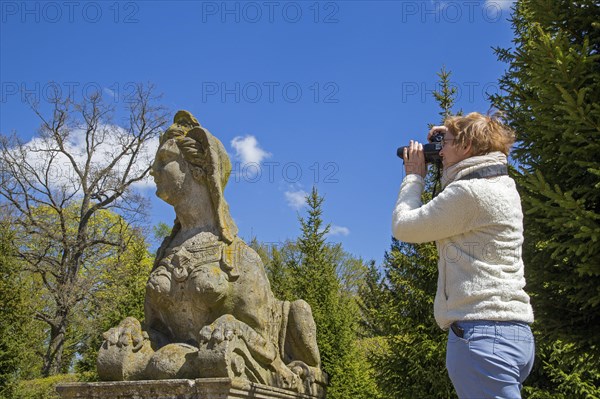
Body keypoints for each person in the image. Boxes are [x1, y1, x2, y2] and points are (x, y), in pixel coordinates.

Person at [391, 112, 535, 398]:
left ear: (468, 147)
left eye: (447, 143)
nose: (440, 150)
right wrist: (456, 133)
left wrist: (413, 178)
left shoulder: (470, 193)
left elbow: (404, 227)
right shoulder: (502, 185)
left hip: (481, 334)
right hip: (513, 334)